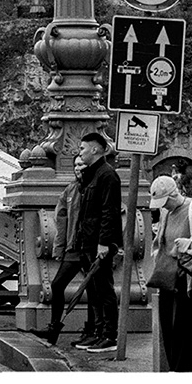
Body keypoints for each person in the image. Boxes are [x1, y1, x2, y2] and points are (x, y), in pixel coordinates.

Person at [35, 131, 122, 352]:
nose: (79, 152)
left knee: (104, 290)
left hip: (97, 244)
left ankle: (109, 336)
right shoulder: (91, 177)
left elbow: (109, 212)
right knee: (95, 290)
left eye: (82, 148)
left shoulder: (107, 175)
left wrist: (104, 242)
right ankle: (97, 333)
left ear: (95, 149)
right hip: (86, 244)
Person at [147, 174, 192, 371]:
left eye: (164, 201)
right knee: (167, 326)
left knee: (183, 326)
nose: (163, 206)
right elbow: (160, 240)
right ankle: (173, 367)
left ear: (173, 195)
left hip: (185, 275)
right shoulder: (165, 212)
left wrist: (186, 246)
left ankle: (184, 368)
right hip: (166, 276)